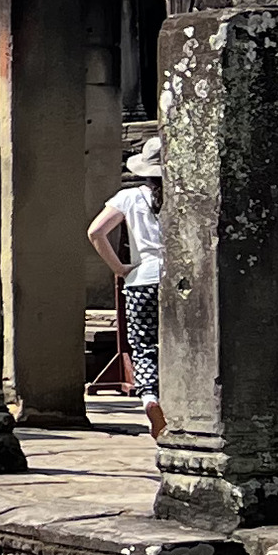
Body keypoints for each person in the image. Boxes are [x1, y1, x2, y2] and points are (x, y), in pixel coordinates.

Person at [91, 137, 166, 442]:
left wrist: (119, 268)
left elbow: (95, 232)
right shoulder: (187, 195)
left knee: (144, 346)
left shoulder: (129, 197)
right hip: (180, 282)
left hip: (142, 278)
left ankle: (151, 399)